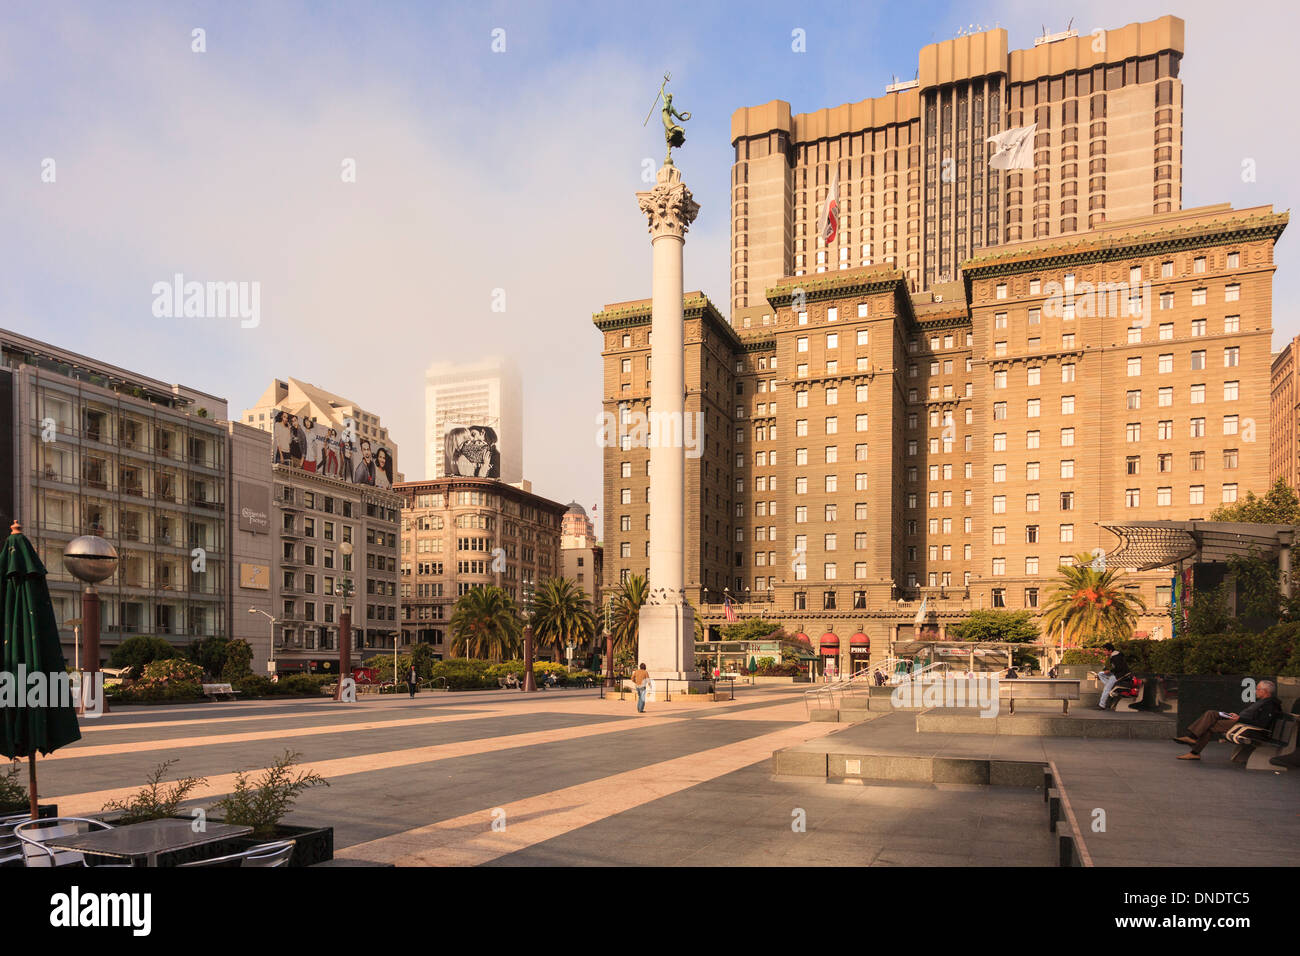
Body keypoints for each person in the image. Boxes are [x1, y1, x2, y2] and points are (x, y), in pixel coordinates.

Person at [1174, 681, 1282, 760]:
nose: (1255, 691)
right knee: (1210, 713)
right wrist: (1237, 716)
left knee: (1210, 726)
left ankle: (1194, 751)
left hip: (1245, 726)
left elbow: (1262, 723)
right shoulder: (1263, 701)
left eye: (1258, 689)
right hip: (1240, 721)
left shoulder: (1270, 705)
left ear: (1266, 691)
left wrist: (1240, 718)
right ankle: (1192, 737)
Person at [1096, 642, 1131, 709]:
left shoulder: (1116, 657)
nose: (1104, 651)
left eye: (1105, 650)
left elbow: (1119, 668)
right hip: (1116, 673)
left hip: (1120, 675)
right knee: (1100, 674)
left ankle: (1101, 705)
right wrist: (1106, 670)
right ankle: (1111, 687)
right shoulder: (1114, 655)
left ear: (1110, 651)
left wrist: (1109, 671)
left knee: (1106, 689)